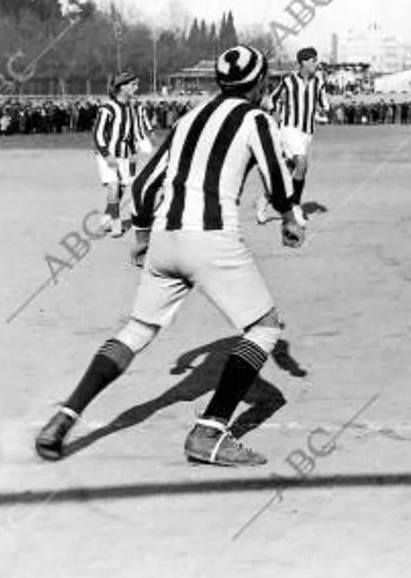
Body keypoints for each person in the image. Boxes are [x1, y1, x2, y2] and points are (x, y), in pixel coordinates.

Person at [34, 45, 304, 467]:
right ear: (260, 83)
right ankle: (210, 432)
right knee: (264, 329)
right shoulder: (256, 118)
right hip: (212, 238)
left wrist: (141, 237)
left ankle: (66, 415)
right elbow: (279, 182)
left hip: (164, 236)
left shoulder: (188, 118)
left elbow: (142, 188)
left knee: (136, 331)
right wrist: (290, 218)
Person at [258, 47, 329, 225]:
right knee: (302, 164)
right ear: (303, 62)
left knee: (288, 170)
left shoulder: (319, 82)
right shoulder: (288, 80)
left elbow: (324, 105)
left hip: (307, 133)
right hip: (289, 129)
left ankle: (264, 200)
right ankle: (295, 206)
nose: (316, 63)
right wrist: (275, 114)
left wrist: (321, 114)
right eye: (313, 60)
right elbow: (271, 100)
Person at [92, 72, 140, 236]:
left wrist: (133, 155)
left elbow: (131, 134)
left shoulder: (131, 108)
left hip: (124, 154)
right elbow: (98, 134)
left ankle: (106, 218)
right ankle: (115, 223)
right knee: (113, 186)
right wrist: (106, 155)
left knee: (121, 188)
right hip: (109, 153)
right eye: (132, 85)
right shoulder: (107, 108)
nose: (136, 88)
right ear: (121, 87)